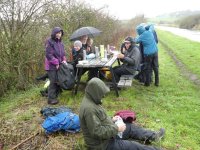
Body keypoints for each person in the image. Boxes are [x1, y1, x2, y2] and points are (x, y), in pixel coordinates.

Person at [79, 78, 165, 150]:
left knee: (130, 127)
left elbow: (98, 119)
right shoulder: (89, 109)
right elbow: (97, 132)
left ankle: (154, 136)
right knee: (132, 146)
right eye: (101, 94)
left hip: (108, 136)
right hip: (103, 145)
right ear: (95, 92)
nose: (103, 96)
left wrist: (111, 119)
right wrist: (117, 129)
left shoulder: (91, 99)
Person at [45, 27, 66, 105]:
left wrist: (64, 60)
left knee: (58, 80)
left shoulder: (61, 43)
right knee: (53, 81)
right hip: (51, 65)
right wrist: (56, 63)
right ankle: (51, 99)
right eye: (57, 33)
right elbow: (48, 55)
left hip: (59, 64)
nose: (59, 34)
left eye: (60, 33)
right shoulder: (49, 42)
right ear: (54, 33)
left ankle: (56, 94)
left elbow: (63, 54)